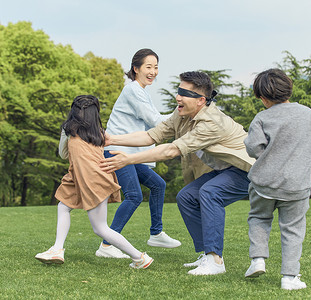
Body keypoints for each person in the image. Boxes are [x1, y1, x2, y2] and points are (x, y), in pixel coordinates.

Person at [100, 71, 255, 275]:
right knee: (186, 197)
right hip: (222, 169)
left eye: (184, 93)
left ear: (201, 100)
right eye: (178, 91)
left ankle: (215, 261)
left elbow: (171, 150)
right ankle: (206, 255)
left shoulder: (211, 122)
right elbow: (151, 136)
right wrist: (113, 140)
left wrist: (128, 159)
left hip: (244, 170)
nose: (178, 97)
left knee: (209, 192)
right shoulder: (181, 114)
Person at [35, 95, 153, 270]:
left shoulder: (69, 130)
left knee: (100, 228)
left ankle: (140, 257)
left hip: (91, 179)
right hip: (87, 177)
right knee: (63, 206)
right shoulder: (99, 133)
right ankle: (57, 249)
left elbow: (63, 154)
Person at [243, 69, 311, 290]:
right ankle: (290, 278)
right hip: (296, 185)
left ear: (262, 98)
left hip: (263, 184)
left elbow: (253, 148)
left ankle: (258, 260)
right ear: (288, 88)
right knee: (293, 229)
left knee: (259, 218)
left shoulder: (262, 118)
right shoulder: (307, 114)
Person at [95, 48, 181, 259]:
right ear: (136, 69)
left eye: (156, 67)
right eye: (148, 67)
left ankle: (156, 233)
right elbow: (156, 122)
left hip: (129, 153)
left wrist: (181, 108)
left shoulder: (141, 91)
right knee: (133, 196)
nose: (153, 71)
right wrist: (183, 106)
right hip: (117, 151)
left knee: (158, 184)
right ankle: (106, 245)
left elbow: (157, 119)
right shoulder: (133, 90)